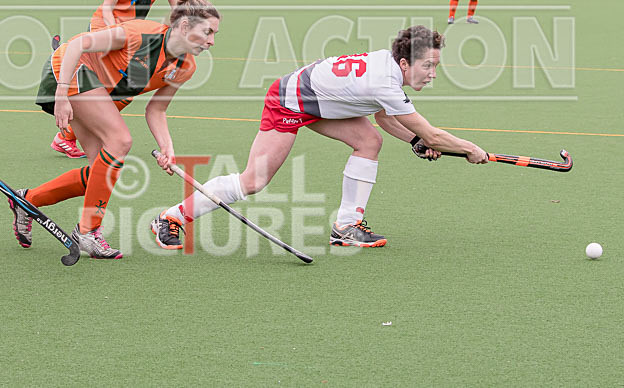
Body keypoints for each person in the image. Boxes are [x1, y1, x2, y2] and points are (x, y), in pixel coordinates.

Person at [150, 25, 488, 251]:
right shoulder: (385, 80)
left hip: (320, 102)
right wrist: (469, 149)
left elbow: (385, 117)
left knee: (369, 141)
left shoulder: (387, 70)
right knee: (253, 181)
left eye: (435, 68)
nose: (431, 74)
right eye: (428, 66)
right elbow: (430, 132)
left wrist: (414, 142)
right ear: (404, 62)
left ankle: (345, 226)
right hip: (288, 100)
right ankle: (171, 217)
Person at [9, 0, 219, 259]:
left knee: (100, 175)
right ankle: (88, 231)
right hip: (69, 70)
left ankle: (27, 201)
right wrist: (62, 93)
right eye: (208, 32)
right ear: (185, 25)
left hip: (94, 90)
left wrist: (167, 148)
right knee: (121, 141)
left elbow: (157, 110)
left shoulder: (186, 67)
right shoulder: (140, 33)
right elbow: (76, 45)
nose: (212, 41)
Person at [51, 0, 178, 159]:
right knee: (106, 87)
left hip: (135, 38)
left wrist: (192, 26)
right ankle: (68, 134)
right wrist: (113, 35)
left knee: (127, 92)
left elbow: (178, 9)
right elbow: (107, 7)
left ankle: (67, 136)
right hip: (107, 29)